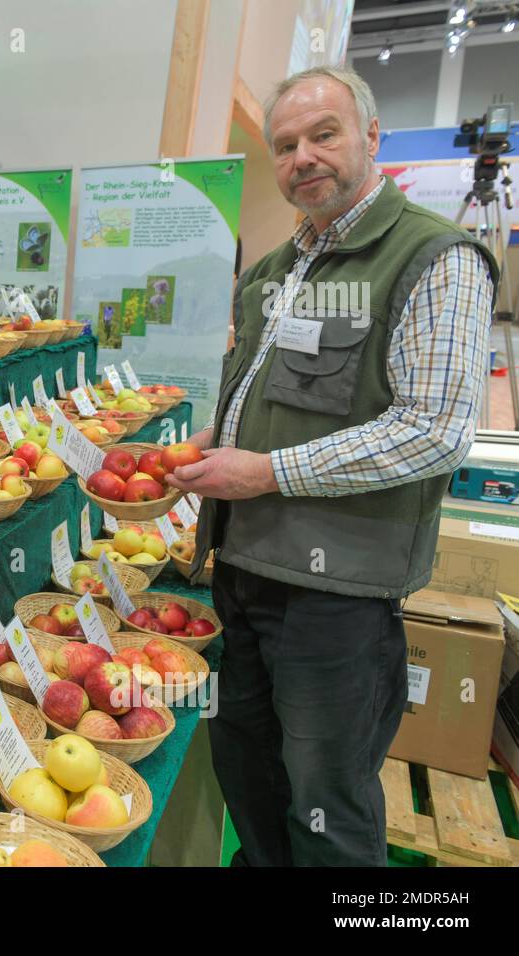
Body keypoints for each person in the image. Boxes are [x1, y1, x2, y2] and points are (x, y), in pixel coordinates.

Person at [170, 66, 498, 866]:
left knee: (327, 803)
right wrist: (205, 449)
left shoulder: (434, 258)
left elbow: (433, 431)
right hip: (241, 575)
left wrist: (265, 472)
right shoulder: (272, 274)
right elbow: (263, 398)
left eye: (324, 135)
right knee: (248, 776)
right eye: (284, 146)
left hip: (335, 601)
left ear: (373, 137)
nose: (302, 158)